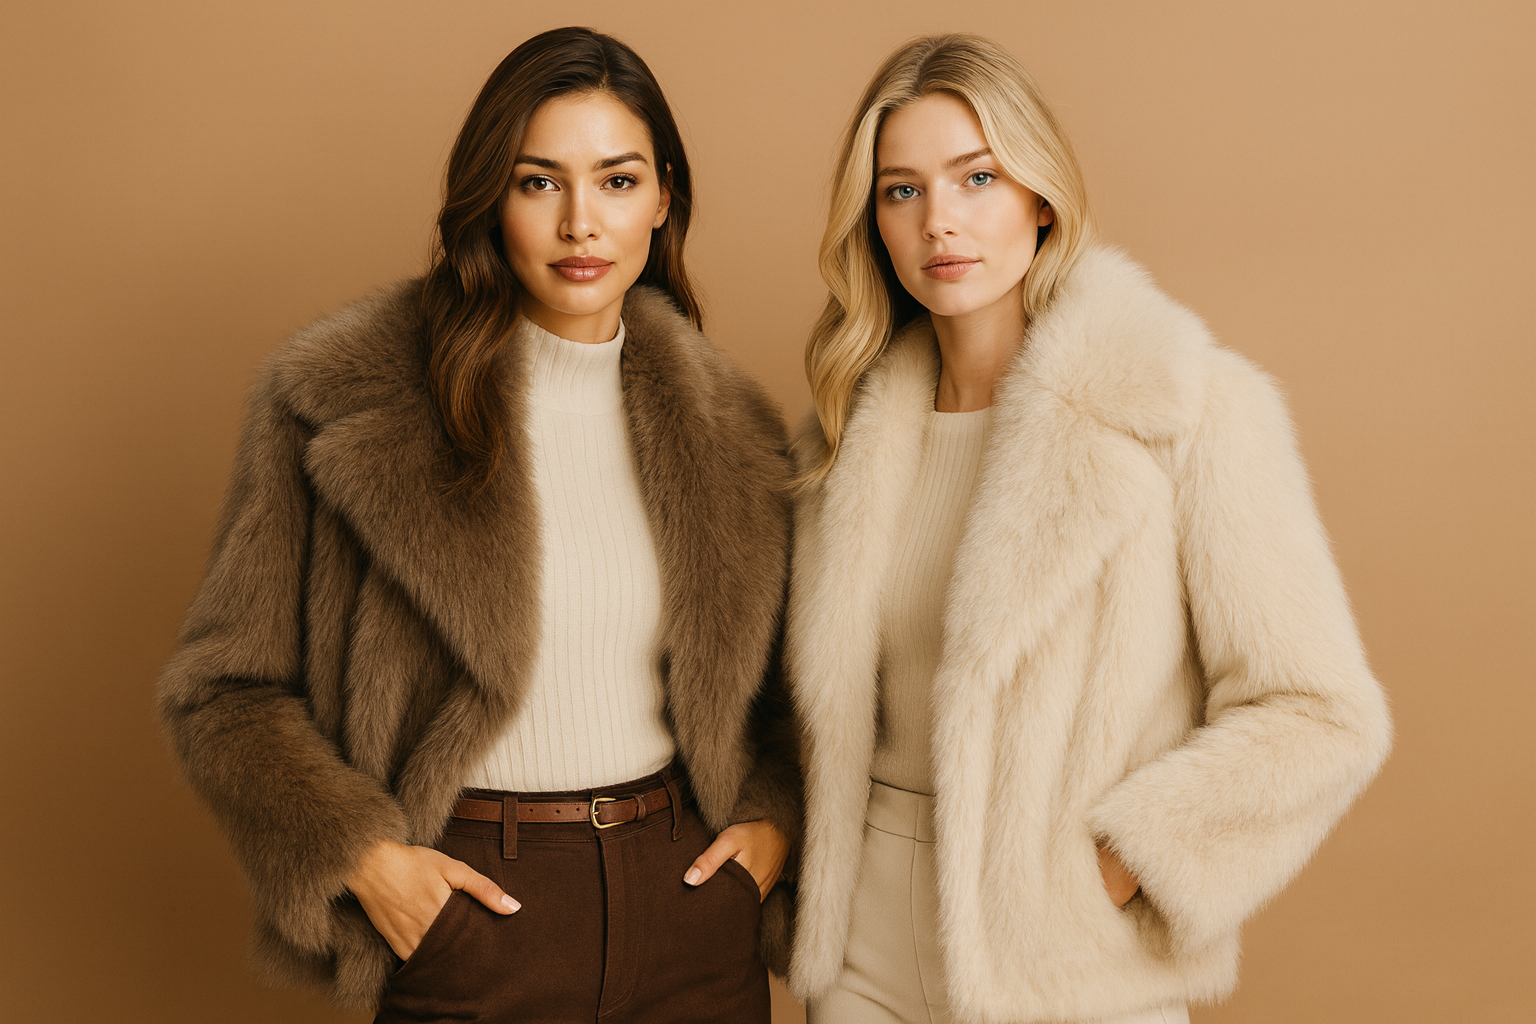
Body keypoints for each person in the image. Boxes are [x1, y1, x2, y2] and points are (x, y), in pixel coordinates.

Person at [157, 27, 797, 1024]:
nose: (582, 222)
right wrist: (365, 860)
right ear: (489, 197)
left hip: (690, 914)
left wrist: (774, 826)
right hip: (470, 921)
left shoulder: (737, 433)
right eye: (540, 182)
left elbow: (800, 693)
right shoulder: (334, 397)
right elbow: (222, 693)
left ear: (664, 196)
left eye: (617, 181)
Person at [784, 33, 1391, 1024]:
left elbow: (1322, 711)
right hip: (865, 950)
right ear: (874, 224)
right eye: (902, 190)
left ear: (1040, 195)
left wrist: (1118, 863)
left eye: (976, 177)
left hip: (1068, 956)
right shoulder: (841, 438)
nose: (942, 218)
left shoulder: (1188, 408)